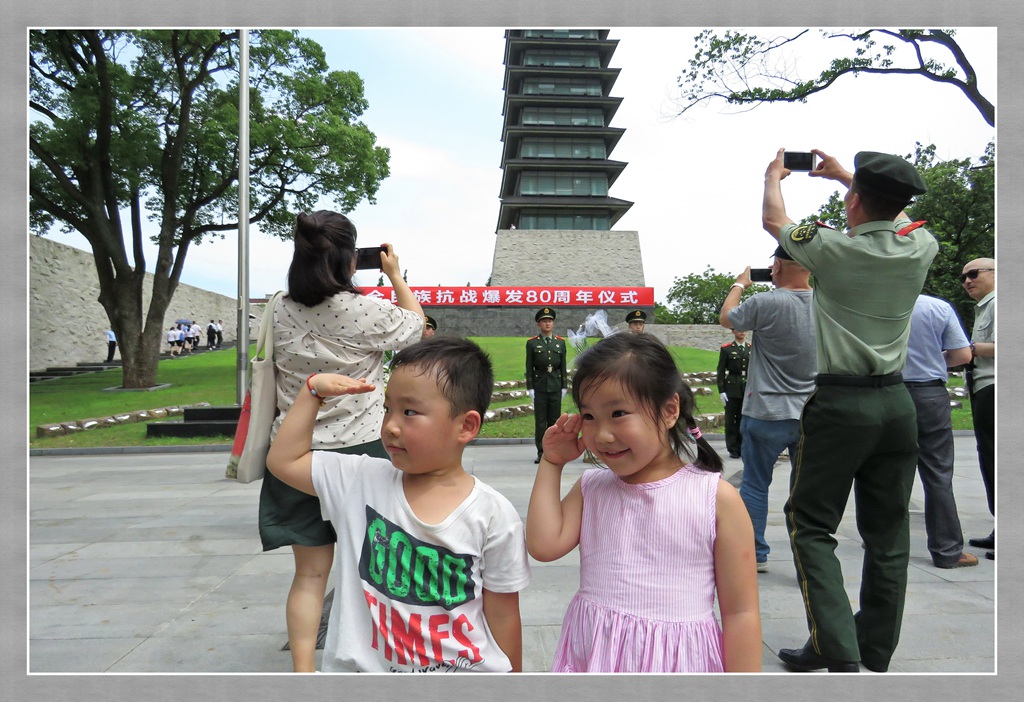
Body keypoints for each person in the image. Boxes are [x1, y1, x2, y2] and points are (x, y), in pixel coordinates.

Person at [763, 148, 938, 673]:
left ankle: (834, 646)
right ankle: (875, 647)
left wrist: (774, 176)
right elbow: (898, 219)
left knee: (811, 523)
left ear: (855, 202)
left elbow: (774, 219)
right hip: (897, 403)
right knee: (888, 532)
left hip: (841, 403)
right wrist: (847, 177)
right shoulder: (920, 247)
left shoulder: (832, 249)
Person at [266, 337, 531, 672]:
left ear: (466, 426)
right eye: (387, 409)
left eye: (409, 412)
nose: (390, 426)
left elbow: (504, 613)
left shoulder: (493, 514)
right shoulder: (358, 480)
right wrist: (312, 393)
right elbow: (284, 461)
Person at [526, 333, 761, 672]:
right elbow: (543, 545)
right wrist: (551, 464)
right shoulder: (593, 487)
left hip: (678, 663)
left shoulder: (715, 498)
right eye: (589, 416)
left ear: (669, 411)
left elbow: (741, 613)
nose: (602, 434)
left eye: (618, 413)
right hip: (597, 653)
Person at [259, 210, 425, 672]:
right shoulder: (367, 310)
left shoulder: (279, 306)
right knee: (379, 569)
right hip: (363, 451)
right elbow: (415, 327)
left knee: (310, 575)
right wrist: (394, 275)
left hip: (295, 454)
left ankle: (304, 675)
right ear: (351, 259)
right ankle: (383, 656)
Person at [719, 246, 815, 573]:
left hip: (765, 411)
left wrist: (740, 284)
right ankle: (809, 558)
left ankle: (756, 553)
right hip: (811, 413)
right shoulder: (828, 304)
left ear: (775, 267)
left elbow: (727, 317)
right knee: (805, 491)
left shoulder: (765, 302)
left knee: (756, 485)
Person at [904, 295, 977, 568]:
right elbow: (962, 354)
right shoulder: (937, 307)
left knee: (884, 470)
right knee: (937, 474)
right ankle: (947, 551)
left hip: (885, 391)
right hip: (928, 393)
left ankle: (882, 540)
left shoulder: (870, 302)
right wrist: (933, 358)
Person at [961, 258, 995, 559]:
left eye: (973, 274)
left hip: (997, 387)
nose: (967, 281)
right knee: (990, 458)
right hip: (984, 388)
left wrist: (966, 349)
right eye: (964, 278)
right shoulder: (985, 306)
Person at [526, 307, 567, 464]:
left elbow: (562, 365)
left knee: (555, 421)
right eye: (544, 321)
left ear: (553, 324)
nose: (547, 324)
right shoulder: (532, 343)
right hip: (540, 385)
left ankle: (554, 451)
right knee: (541, 421)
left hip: (556, 385)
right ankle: (542, 452)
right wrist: (530, 387)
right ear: (539, 324)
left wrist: (564, 385)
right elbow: (529, 366)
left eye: (550, 321)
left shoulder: (560, 343)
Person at [716, 329, 750, 458]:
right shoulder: (727, 349)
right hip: (731, 389)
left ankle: (742, 447)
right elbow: (720, 371)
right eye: (738, 329)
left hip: (746, 389)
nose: (741, 332)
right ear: (733, 331)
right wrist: (721, 390)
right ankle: (733, 448)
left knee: (743, 420)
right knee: (731, 420)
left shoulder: (750, 348)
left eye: (744, 329)